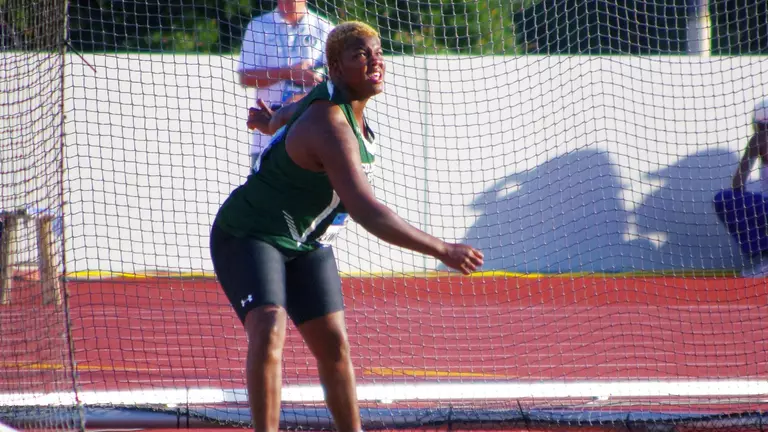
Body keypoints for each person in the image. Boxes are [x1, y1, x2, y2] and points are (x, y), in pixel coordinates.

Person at [211, 21, 484, 432]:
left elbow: (287, 112)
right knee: (269, 328)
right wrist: (441, 250)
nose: (375, 62)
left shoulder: (327, 96)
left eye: (377, 53)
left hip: (308, 243)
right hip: (251, 232)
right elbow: (366, 210)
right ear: (337, 68)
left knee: (334, 345)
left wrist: (267, 123)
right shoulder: (332, 126)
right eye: (360, 55)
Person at [238, 0, 334, 171]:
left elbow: (336, 80)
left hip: (313, 139)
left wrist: (306, 93)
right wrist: (288, 73)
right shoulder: (259, 26)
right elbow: (246, 77)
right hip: (267, 140)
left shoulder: (324, 27)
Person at [713, 99, 768, 277]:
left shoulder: (760, 139)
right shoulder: (759, 141)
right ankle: (765, 257)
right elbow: (737, 185)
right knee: (725, 199)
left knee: (726, 199)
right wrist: (754, 149)